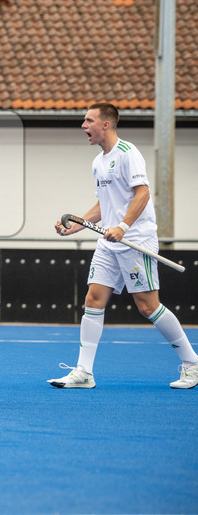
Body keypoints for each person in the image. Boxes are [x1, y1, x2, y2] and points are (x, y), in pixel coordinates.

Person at [49, 102, 198, 389]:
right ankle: (84, 372)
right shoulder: (98, 162)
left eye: (89, 120)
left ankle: (192, 362)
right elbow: (103, 205)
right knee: (93, 300)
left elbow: (142, 194)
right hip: (108, 243)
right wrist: (75, 226)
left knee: (148, 307)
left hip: (136, 241)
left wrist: (123, 227)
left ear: (106, 124)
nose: (83, 125)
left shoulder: (128, 154)